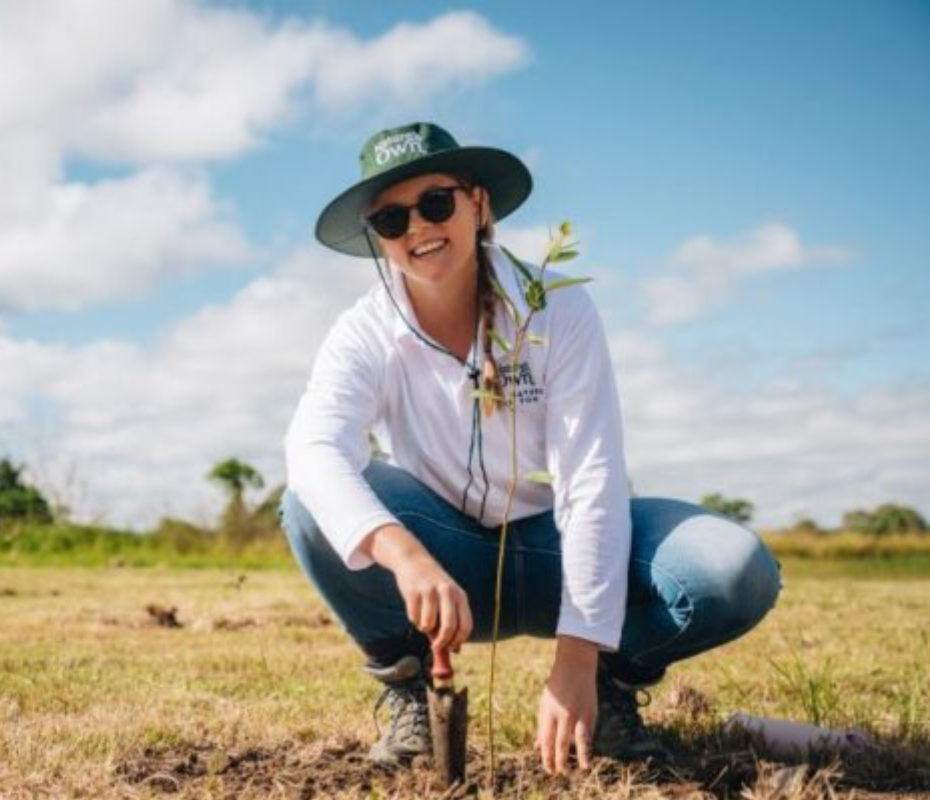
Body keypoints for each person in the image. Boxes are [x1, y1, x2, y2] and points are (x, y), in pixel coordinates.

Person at [280, 121, 781, 774]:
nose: (418, 229)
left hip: (559, 549)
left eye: (436, 202)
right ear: (377, 235)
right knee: (309, 504)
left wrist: (578, 656)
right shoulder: (363, 332)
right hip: (446, 559)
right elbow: (313, 447)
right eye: (391, 218)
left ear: (478, 203)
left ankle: (611, 690)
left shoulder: (558, 311)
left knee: (730, 569)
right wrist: (402, 554)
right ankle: (409, 696)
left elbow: (590, 478)